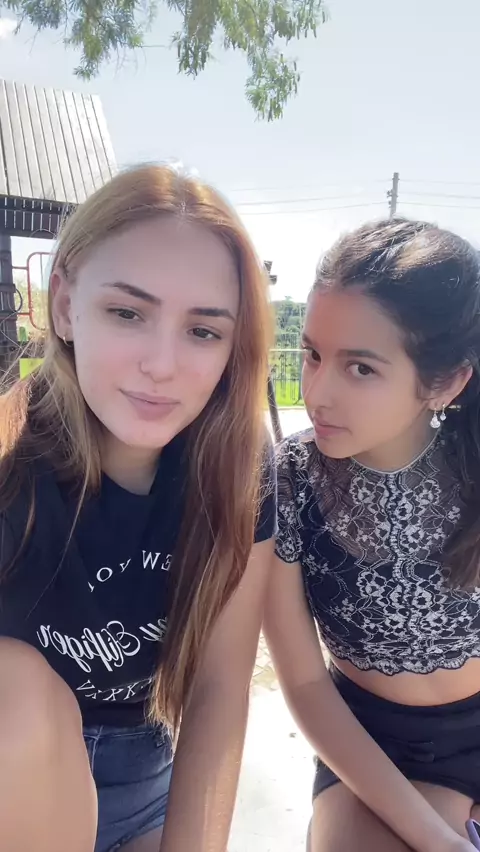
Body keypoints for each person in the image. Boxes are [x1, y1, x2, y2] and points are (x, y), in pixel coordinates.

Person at [0, 163, 276, 852]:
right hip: (12, 768)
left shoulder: (239, 471)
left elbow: (219, 689)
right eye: (127, 313)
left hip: (144, 777)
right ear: (65, 305)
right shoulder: (8, 461)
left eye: (203, 331)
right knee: (18, 687)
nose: (162, 364)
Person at [265, 218, 480, 852]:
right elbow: (305, 684)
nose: (317, 393)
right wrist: (438, 839)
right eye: (312, 354)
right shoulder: (290, 479)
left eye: (360, 367)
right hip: (372, 747)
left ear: (445, 382)